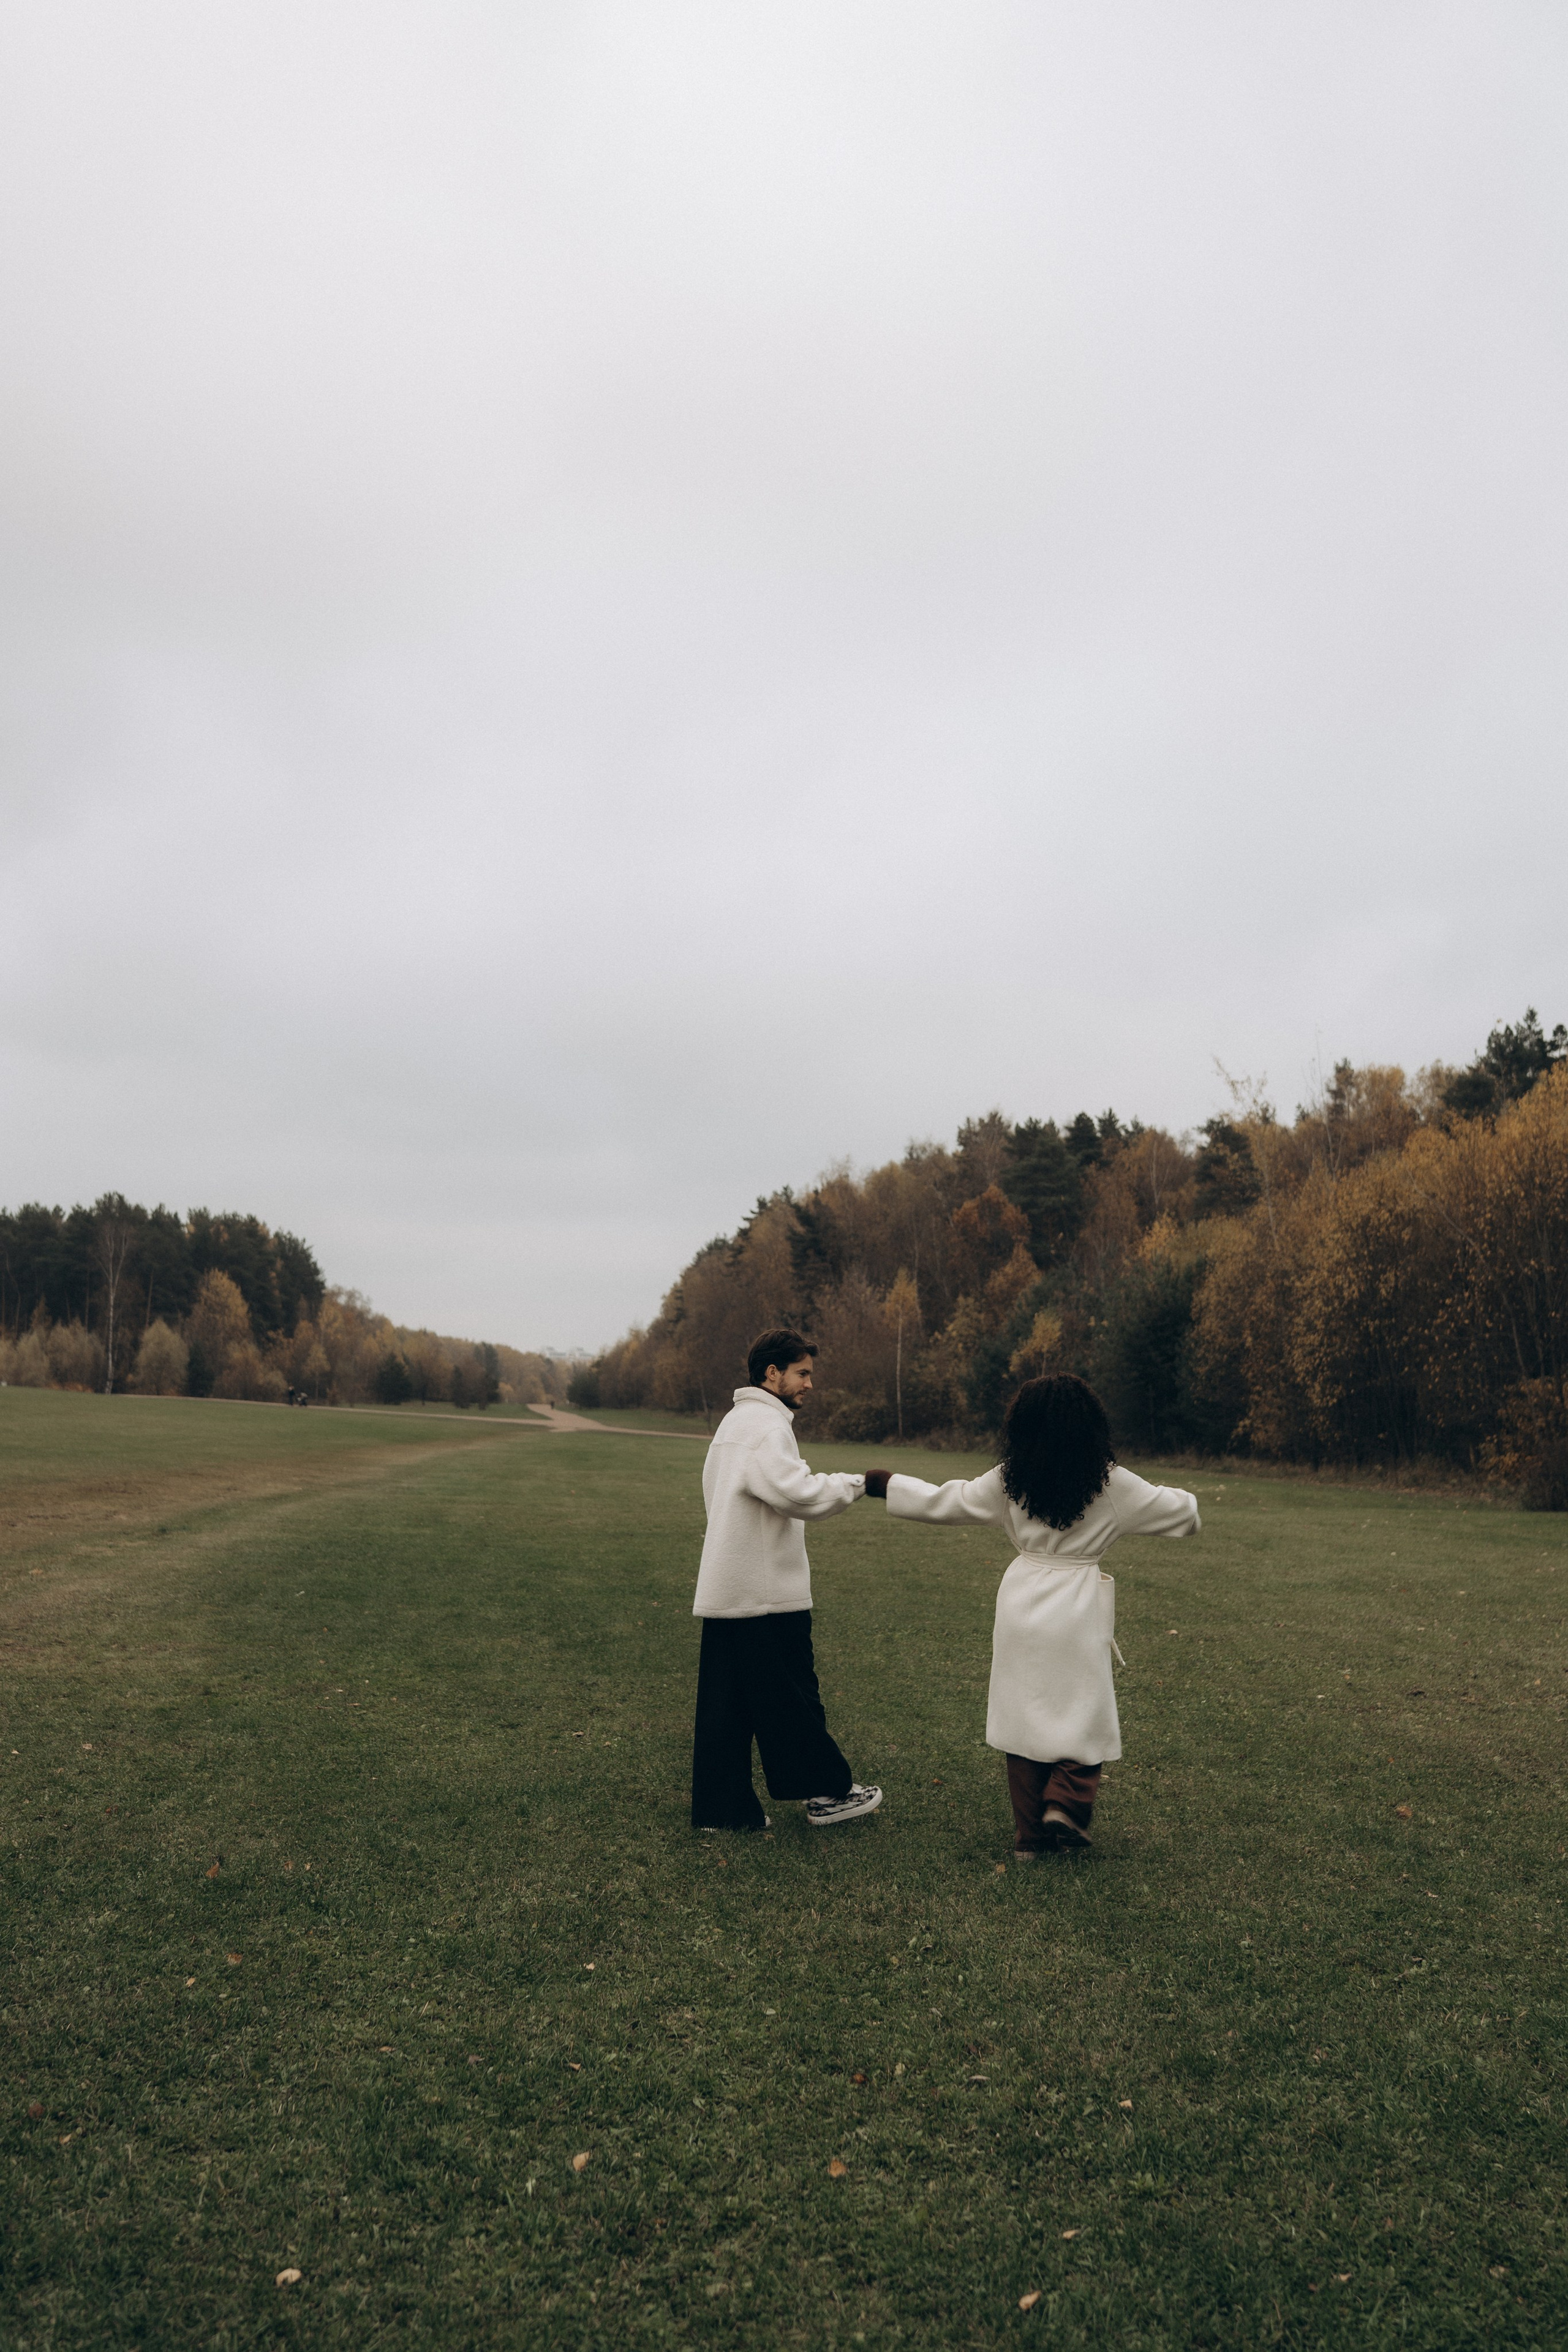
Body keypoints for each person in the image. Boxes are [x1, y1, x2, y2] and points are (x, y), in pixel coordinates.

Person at [862, 1373, 1197, 1856]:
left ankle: (1032, 1839)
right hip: (1078, 1606)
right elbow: (1184, 1516)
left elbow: (947, 1500)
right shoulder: (1113, 1485)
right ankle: (1066, 1800)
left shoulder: (1008, 1478)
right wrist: (1184, 1500)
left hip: (1021, 1601)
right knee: (1084, 1710)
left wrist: (888, 1485)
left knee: (1022, 1720)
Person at [691, 1328, 883, 1834]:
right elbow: (797, 1494)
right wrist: (860, 1484)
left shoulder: (734, 1423)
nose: (809, 1384)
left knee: (726, 1706)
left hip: (729, 1588)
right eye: (802, 1373)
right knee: (793, 1696)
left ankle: (723, 1811)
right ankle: (828, 1795)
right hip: (766, 1593)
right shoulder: (765, 1426)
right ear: (771, 1374)